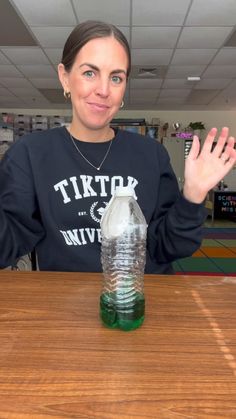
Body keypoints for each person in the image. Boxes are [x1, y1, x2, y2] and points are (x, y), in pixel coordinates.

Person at [0, 20, 235, 273]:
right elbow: (7, 246)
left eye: (116, 77)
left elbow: (169, 247)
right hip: (65, 304)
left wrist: (193, 195)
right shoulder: (30, 154)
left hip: (140, 299)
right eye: (89, 72)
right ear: (65, 77)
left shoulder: (151, 154)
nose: (103, 90)